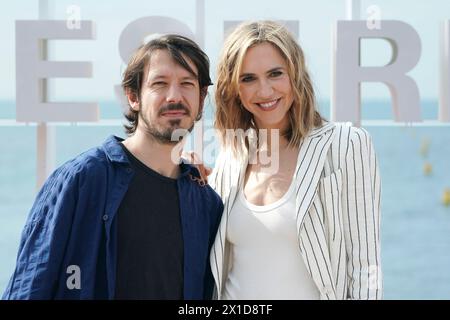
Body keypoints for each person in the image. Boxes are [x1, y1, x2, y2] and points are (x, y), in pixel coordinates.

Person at [3, 34, 223, 300]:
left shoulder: (205, 203)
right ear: (133, 97)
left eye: (186, 83)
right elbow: (30, 286)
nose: (174, 96)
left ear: (201, 98)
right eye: (160, 84)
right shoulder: (82, 179)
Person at [208, 21, 382, 300]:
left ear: (295, 75)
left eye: (275, 74)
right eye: (248, 78)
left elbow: (365, 267)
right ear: (234, 90)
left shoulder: (345, 144)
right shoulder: (231, 154)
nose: (264, 91)